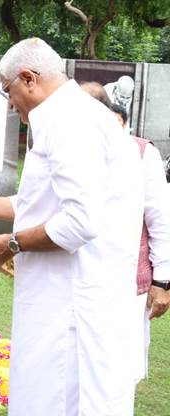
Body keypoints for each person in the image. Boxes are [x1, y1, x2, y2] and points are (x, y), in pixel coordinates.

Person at [0, 38, 145, 415]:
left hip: (73, 308)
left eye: (7, 91)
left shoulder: (70, 122)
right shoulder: (71, 116)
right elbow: (35, 206)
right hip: (67, 300)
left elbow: (79, 222)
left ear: (28, 78)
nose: (10, 104)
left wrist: (11, 244)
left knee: (60, 401)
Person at [80, 80, 170, 384]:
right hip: (80, 280)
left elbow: (160, 219)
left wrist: (162, 281)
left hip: (128, 283)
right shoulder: (74, 151)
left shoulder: (142, 153)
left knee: (119, 372)